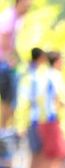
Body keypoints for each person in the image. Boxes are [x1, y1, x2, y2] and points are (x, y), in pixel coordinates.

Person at [0, 0, 31, 130]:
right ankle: (3, 129)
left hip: (7, 62)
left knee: (11, 99)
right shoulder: (9, 16)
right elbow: (3, 40)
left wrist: (20, 60)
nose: (27, 9)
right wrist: (9, 60)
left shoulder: (17, 19)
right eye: (26, 5)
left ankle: (5, 129)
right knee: (8, 99)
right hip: (3, 64)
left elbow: (12, 44)